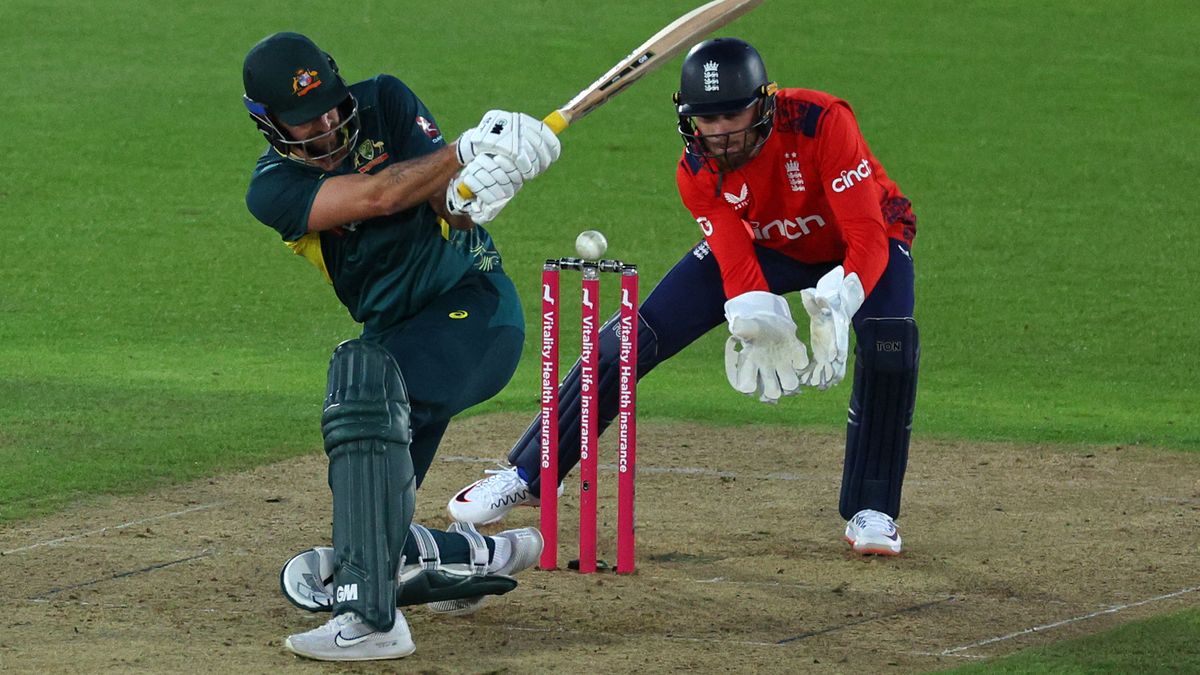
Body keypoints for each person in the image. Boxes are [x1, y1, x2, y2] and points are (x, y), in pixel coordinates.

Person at [447, 37, 919, 557]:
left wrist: (841, 301)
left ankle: (872, 509)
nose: (719, 132)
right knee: (627, 340)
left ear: (764, 103)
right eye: (706, 119)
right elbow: (737, 264)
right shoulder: (696, 170)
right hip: (765, 243)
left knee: (890, 348)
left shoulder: (820, 121)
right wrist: (754, 316)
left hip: (864, 239)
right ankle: (531, 473)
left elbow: (866, 233)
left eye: (732, 115)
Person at [241, 32, 561, 662]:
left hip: (474, 311)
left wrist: (479, 182)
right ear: (267, 122)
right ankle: (477, 555)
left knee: (363, 391)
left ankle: (371, 621)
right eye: (305, 118)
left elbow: (450, 205)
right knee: (367, 508)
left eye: (330, 106)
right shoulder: (272, 189)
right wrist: (465, 148)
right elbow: (377, 195)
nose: (326, 124)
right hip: (397, 337)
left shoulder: (385, 101)